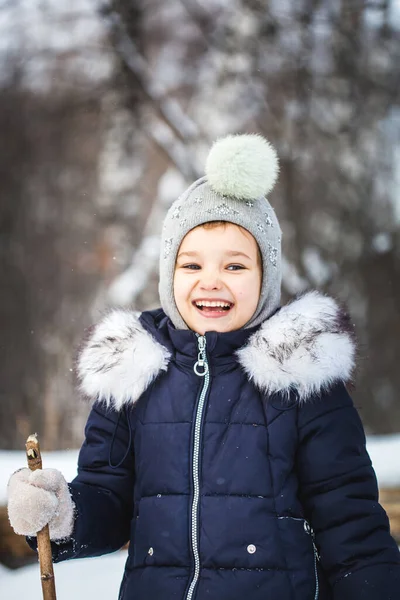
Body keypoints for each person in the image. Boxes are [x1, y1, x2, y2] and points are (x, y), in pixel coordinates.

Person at [7, 134, 400, 600]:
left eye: (235, 267)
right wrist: (60, 515)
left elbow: (352, 530)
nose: (210, 281)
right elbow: (108, 501)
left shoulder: (301, 381)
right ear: (168, 276)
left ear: (266, 278)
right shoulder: (134, 376)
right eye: (191, 265)